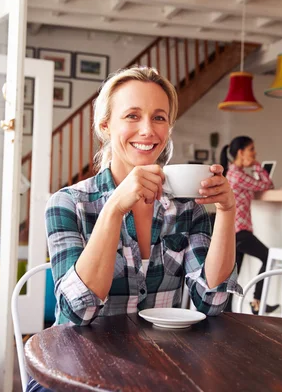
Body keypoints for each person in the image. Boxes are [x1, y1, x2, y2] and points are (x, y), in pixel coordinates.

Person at [28, 66, 243, 392]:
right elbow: (78, 312)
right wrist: (114, 208)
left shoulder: (187, 208)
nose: (147, 130)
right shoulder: (68, 204)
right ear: (105, 125)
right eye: (132, 116)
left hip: (161, 367)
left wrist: (227, 210)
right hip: (74, 370)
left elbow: (211, 303)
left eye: (159, 118)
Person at [220, 136, 278, 315]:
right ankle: (257, 301)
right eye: (251, 149)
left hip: (236, 232)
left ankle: (226, 311)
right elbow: (267, 185)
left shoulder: (235, 174)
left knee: (232, 274)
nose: (255, 153)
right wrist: (258, 167)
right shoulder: (237, 175)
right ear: (241, 152)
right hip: (240, 232)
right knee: (268, 256)